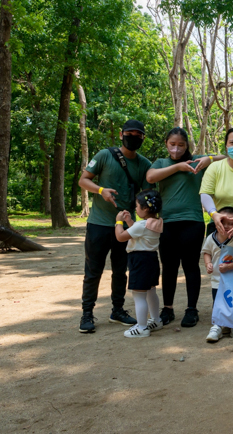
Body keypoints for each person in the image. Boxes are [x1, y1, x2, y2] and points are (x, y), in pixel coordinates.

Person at [77, 119, 152, 333]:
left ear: (142, 139)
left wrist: (139, 223)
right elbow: (84, 180)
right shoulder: (104, 155)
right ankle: (87, 314)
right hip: (99, 224)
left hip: (125, 227)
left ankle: (117, 311)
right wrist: (101, 190)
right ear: (121, 134)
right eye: (130, 133)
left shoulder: (144, 164)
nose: (134, 138)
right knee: (93, 270)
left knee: (121, 271)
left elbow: (146, 197)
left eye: (138, 135)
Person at [147, 127, 225, 328]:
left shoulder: (198, 161)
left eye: (181, 145)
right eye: (172, 144)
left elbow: (226, 157)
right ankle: (168, 309)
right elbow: (150, 177)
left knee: (190, 266)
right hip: (167, 223)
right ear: (166, 144)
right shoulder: (161, 163)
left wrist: (209, 158)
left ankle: (192, 310)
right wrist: (178, 167)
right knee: (169, 267)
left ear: (187, 146)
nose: (176, 148)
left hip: (192, 222)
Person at [114, 190, 164, 338]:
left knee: (138, 295)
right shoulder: (155, 222)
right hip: (151, 259)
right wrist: (130, 222)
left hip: (139, 261)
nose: (135, 208)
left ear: (146, 208)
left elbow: (121, 237)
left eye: (137, 206)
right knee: (150, 291)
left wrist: (119, 222)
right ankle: (156, 320)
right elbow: (139, 232)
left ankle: (142, 328)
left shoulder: (142, 225)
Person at [202, 207, 233, 343]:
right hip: (217, 280)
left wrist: (230, 266)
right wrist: (208, 264)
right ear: (217, 222)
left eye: (231, 223)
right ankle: (217, 326)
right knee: (217, 302)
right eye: (224, 222)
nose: (227, 226)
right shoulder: (211, 238)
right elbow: (206, 252)